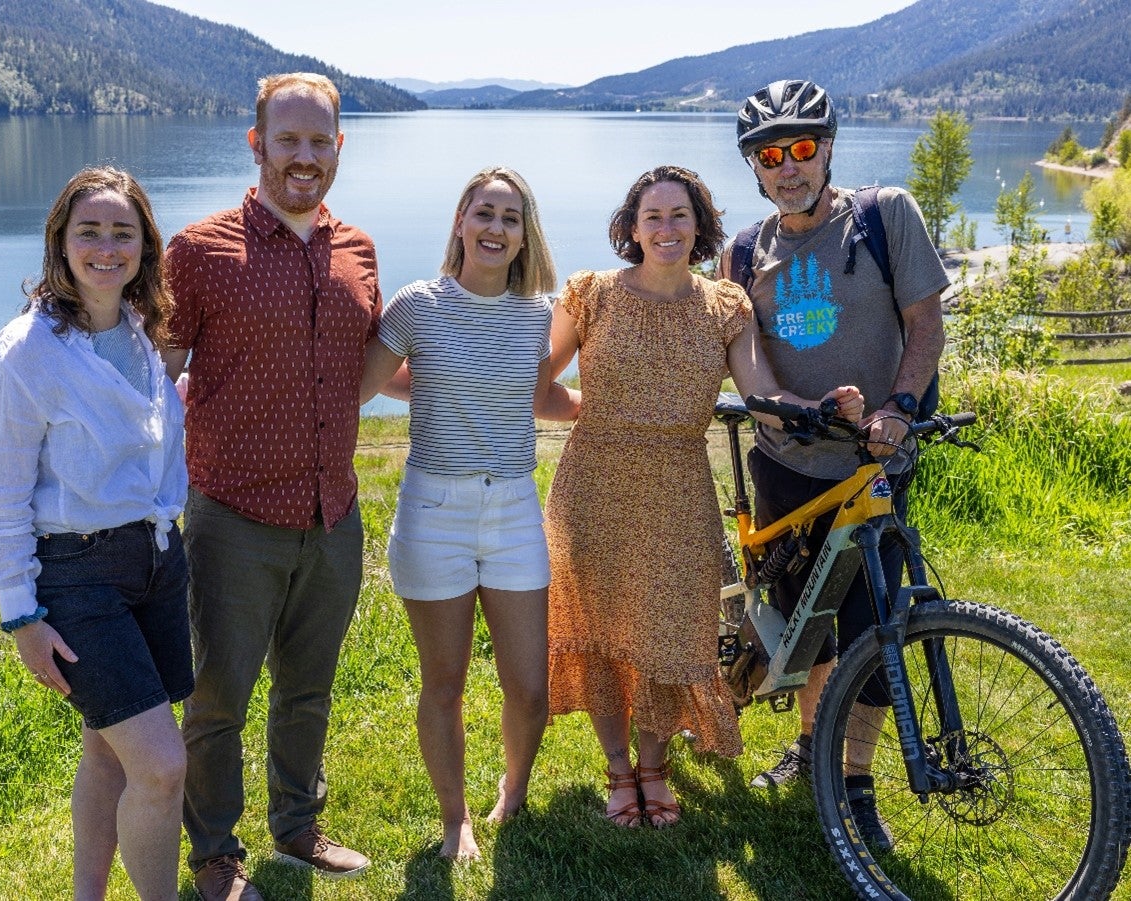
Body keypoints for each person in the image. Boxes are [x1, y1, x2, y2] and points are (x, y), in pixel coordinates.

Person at [544, 165, 863, 829]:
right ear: (631, 227)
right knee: (602, 631)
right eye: (652, 216)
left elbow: (760, 395)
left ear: (699, 225)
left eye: (678, 215)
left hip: (679, 487)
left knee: (672, 632)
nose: (665, 227)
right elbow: (532, 378)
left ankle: (655, 767)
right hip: (591, 483)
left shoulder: (725, 305)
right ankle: (616, 769)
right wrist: (592, 411)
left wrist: (819, 405)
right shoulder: (589, 294)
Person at [162, 72, 377, 901]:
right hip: (233, 515)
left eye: (319, 141)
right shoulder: (199, 249)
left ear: (337, 149)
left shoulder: (356, 248)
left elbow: (369, 362)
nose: (304, 156)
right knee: (217, 696)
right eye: (287, 139)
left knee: (308, 686)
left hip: (333, 515)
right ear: (256, 144)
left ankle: (296, 825)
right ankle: (214, 850)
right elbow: (158, 375)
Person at [719, 79, 948, 849]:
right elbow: (737, 355)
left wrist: (899, 408)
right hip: (785, 466)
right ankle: (810, 752)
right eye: (771, 154)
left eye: (804, 149)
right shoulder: (743, 252)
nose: (789, 167)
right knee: (802, 630)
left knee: (874, 629)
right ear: (754, 167)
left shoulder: (885, 217)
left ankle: (854, 779)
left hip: (873, 462)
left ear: (827, 150)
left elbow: (924, 325)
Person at [0, 166, 191, 901]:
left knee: (108, 752)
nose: (105, 246)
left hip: (157, 563)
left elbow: (148, 440)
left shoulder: (138, 329)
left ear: (144, 245)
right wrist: (21, 615)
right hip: (78, 577)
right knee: (160, 766)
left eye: (121, 232)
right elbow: (0, 498)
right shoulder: (26, 352)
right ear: (60, 243)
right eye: (88, 231)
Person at [359, 167, 578, 860]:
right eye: (483, 213)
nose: (495, 228)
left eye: (510, 218)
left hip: (512, 507)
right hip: (432, 511)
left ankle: (511, 791)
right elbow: (358, 383)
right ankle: (456, 819)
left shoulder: (540, 315)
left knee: (530, 686)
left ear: (524, 236)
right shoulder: (416, 306)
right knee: (444, 681)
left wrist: (609, 410)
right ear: (460, 221)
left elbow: (537, 396)